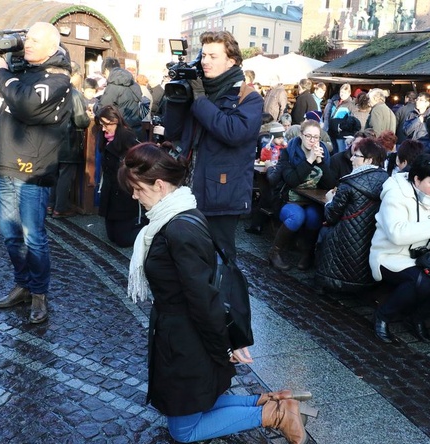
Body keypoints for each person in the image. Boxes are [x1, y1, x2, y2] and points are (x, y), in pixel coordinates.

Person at [118, 143, 310, 444]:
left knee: (183, 429)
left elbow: (203, 297)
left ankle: (274, 414)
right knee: (187, 409)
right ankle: (273, 401)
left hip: (185, 339)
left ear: (158, 184)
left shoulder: (177, 229)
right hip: (179, 335)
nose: (133, 195)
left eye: (136, 188)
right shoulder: (179, 214)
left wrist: (223, 345)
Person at [0, 22, 72, 324]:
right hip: (4, 166)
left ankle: (39, 293)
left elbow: (28, 105)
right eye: (27, 38)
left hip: (33, 172)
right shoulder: (17, 75)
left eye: (35, 40)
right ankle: (23, 285)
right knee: (10, 235)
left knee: (34, 237)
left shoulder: (57, 80)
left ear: (53, 46)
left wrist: (2, 72)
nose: (27, 43)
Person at [166, 30, 263, 262]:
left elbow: (233, 132)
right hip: (189, 186)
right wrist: (178, 98)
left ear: (232, 61)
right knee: (188, 254)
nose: (205, 61)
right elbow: (173, 131)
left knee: (219, 258)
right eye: (203, 55)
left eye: (213, 56)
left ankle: (224, 297)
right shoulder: (198, 89)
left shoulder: (248, 97)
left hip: (222, 192)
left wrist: (200, 101)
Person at [369, 154, 430, 343]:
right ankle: (382, 316)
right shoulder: (395, 194)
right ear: (416, 179)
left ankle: (418, 317)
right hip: (389, 255)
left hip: (421, 255)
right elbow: (397, 234)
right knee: (422, 281)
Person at [316, 138, 388, 293]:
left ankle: (322, 277)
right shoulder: (387, 181)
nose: (351, 158)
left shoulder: (349, 183)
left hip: (341, 246)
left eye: (356, 155)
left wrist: (329, 200)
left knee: (322, 230)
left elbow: (331, 216)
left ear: (368, 160)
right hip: (369, 249)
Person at [268, 119, 337, 271]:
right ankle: (275, 253)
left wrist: (320, 162)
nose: (312, 140)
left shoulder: (323, 151)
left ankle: (307, 253)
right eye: (308, 136)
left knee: (314, 216)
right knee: (297, 216)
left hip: (311, 200)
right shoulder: (289, 152)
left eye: (316, 137)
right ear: (301, 135)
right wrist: (310, 160)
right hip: (288, 199)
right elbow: (292, 180)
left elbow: (330, 183)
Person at [96, 105, 146, 247]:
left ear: (116, 121)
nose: (104, 128)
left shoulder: (127, 137)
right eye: (102, 125)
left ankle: (147, 227)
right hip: (111, 190)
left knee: (123, 240)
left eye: (107, 125)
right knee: (112, 237)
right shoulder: (106, 137)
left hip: (123, 192)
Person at [48, 72, 91, 218]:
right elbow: (81, 120)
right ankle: (60, 208)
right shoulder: (73, 94)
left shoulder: (52, 92)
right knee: (65, 176)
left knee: (54, 174)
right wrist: (88, 119)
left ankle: (50, 205)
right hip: (69, 140)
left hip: (52, 139)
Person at [96, 57, 144, 141]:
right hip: (135, 129)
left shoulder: (113, 85)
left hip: (119, 132)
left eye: (104, 75)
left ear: (107, 70)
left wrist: (94, 105)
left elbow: (102, 109)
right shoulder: (135, 84)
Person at [326, 84, 356, 153]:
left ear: (349, 93)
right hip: (331, 133)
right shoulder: (335, 102)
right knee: (332, 153)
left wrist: (341, 128)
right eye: (341, 92)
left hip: (341, 135)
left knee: (340, 153)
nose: (342, 94)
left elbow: (351, 121)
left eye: (345, 93)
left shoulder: (351, 106)